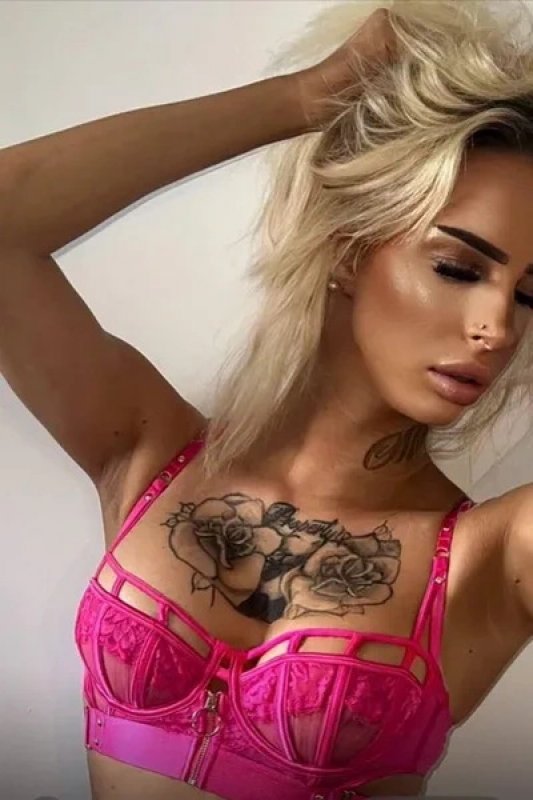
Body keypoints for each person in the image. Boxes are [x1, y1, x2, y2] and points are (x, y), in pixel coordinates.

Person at [2, 0, 533, 798]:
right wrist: (303, 97)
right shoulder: (148, 449)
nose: (496, 326)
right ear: (348, 252)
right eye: (457, 269)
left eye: (527, 294)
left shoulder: (498, 555)